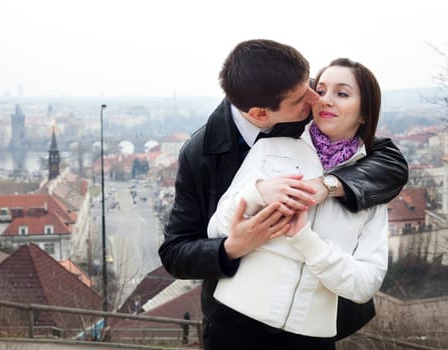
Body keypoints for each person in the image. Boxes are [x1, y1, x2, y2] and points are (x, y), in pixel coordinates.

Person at [158, 39, 408, 348]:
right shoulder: (205, 154)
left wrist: (329, 186)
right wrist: (233, 244)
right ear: (262, 115)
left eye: (315, 85)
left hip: (313, 327)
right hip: (234, 320)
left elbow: (390, 162)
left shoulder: (312, 114)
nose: (317, 98)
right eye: (305, 95)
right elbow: (176, 252)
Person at [207, 58, 387, 349]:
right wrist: (257, 193)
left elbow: (365, 284)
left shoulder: (370, 185)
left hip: (311, 337)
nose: (325, 100)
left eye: (342, 93)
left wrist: (307, 242)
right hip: (235, 323)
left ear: (365, 112)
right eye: (322, 89)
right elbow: (216, 229)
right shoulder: (270, 148)